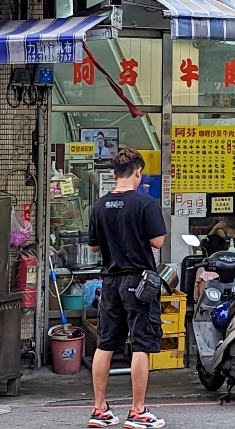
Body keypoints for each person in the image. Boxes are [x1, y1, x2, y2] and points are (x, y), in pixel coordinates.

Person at [87, 149, 167, 429]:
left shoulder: (98, 205)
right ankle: (138, 411)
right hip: (138, 281)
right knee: (142, 343)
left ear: (112, 175)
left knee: (105, 343)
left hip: (109, 281)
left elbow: (94, 246)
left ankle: (99, 410)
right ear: (137, 172)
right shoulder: (145, 204)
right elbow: (158, 242)